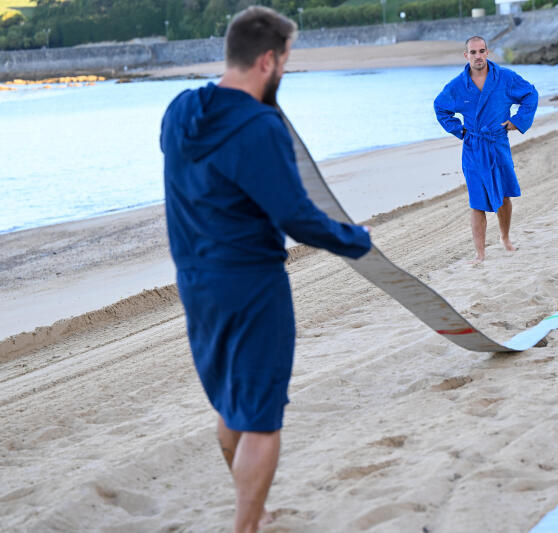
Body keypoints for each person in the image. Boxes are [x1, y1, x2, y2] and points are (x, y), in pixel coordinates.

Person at [160, 7, 372, 532]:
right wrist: (356, 240)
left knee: (233, 405)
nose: (284, 74)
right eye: (285, 63)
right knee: (258, 416)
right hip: (252, 284)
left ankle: (253, 508)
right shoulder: (260, 126)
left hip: (194, 283)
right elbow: (296, 216)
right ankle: (247, 525)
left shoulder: (178, 113)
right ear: (267, 60)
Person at [434, 36, 538, 263]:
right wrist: (459, 131)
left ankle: (505, 238)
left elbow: (531, 94)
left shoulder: (505, 78)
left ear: (487, 52)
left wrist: (518, 121)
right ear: (466, 55)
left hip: (498, 143)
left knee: (504, 195)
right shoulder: (457, 86)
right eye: (473, 52)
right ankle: (480, 253)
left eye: (482, 51)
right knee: (477, 201)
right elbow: (440, 107)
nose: (478, 56)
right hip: (473, 147)